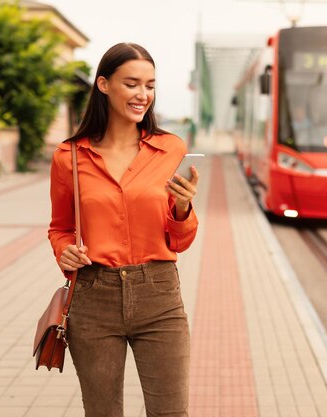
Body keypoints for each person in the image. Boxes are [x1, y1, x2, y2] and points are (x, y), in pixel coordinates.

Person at [48, 43, 199, 417]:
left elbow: (180, 240)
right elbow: (60, 227)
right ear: (103, 84)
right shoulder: (69, 156)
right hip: (93, 296)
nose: (142, 95)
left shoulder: (169, 148)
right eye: (131, 84)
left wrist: (182, 209)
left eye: (150, 85)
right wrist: (65, 252)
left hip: (159, 295)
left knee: (171, 412)